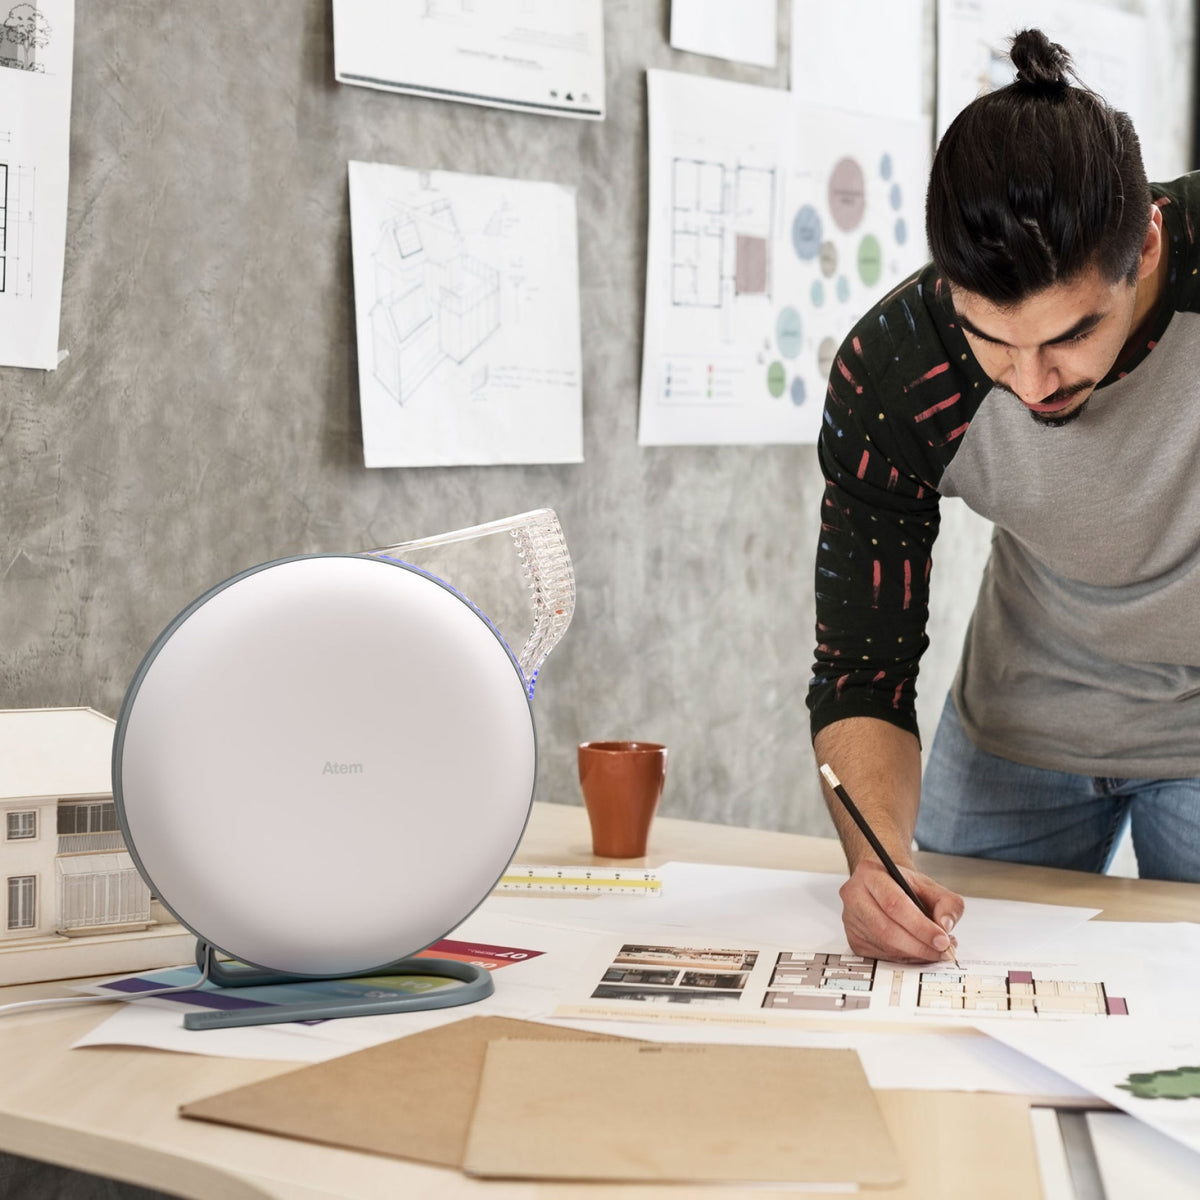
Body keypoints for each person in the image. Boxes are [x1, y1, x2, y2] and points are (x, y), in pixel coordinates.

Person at [808, 28, 1200, 964]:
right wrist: (877, 864)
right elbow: (863, 671)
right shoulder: (897, 373)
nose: (1030, 384)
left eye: (1069, 335)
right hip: (1021, 726)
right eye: (993, 341)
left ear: (1144, 244)